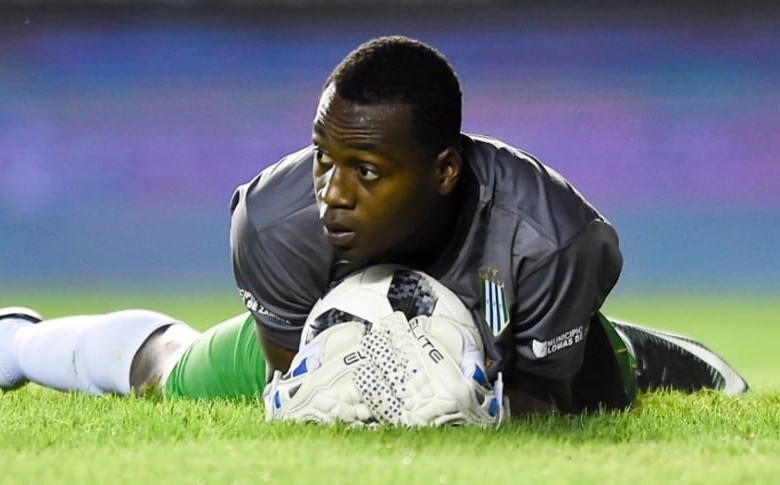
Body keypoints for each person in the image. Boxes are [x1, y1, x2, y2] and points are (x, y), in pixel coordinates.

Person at [0, 36, 747, 415]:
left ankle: (657, 351)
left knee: (603, 387)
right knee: (168, 371)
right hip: (342, 336)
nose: (333, 191)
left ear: (446, 170)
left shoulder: (550, 239)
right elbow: (297, 388)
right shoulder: (273, 222)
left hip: (505, 341)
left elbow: (537, 412)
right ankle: (20, 338)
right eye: (324, 158)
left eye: (366, 170)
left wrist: (456, 408)